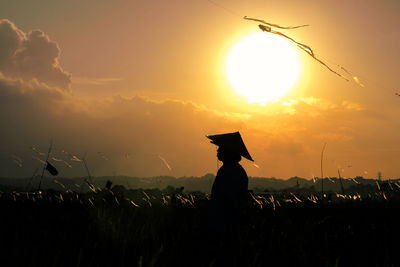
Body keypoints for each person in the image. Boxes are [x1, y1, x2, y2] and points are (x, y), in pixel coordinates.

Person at [207, 132, 253, 232]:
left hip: (228, 222)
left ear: (227, 151)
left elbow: (229, 198)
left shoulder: (229, 171)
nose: (218, 151)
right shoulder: (234, 169)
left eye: (220, 148)